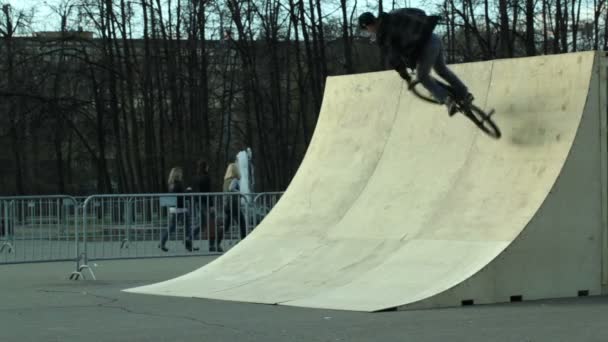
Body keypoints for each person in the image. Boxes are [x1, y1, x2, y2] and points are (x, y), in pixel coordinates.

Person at [358, 9, 473, 116]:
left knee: (422, 76)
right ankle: (464, 93)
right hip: (433, 38)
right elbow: (417, 11)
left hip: (425, 48)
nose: (369, 32)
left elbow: (394, 58)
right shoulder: (393, 14)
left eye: (367, 30)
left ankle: (447, 99)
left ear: (368, 26)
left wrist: (405, 76)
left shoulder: (383, 36)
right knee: (441, 69)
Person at [159, 166, 199, 252]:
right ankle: (188, 245)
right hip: (181, 208)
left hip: (175, 208)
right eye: (180, 173)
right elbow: (182, 196)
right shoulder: (179, 184)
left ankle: (162, 242)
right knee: (186, 227)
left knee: (174, 227)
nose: (182, 174)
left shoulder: (171, 184)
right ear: (178, 174)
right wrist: (188, 191)